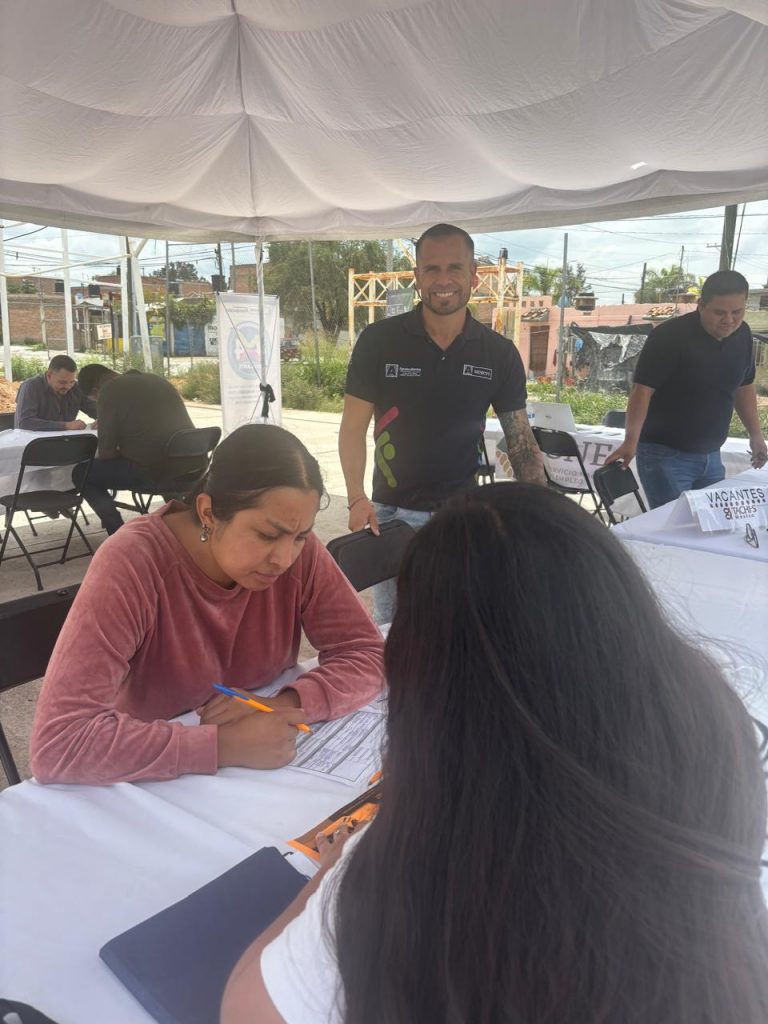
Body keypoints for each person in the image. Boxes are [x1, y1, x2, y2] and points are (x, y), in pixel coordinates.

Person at [222, 483, 768, 1024]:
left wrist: (327, 877)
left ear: (424, 675)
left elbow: (246, 1010)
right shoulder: (718, 742)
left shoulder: (426, 861)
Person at [30, 424, 384, 785]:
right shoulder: (134, 562)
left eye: (300, 537)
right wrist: (225, 746)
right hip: (154, 785)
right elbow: (60, 743)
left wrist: (284, 705)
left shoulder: (299, 552)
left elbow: (368, 655)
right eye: (267, 535)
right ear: (209, 513)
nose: (284, 559)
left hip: (261, 779)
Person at [338, 222, 544, 622]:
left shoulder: (498, 354)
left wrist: (538, 512)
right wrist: (356, 498)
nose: (443, 280)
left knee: (457, 623)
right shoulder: (379, 341)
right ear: (416, 276)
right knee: (394, 629)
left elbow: (520, 441)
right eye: (431, 269)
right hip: (391, 516)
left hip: (461, 516)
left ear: (474, 276)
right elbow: (351, 428)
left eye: (455, 268)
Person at [607, 270, 767, 508]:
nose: (729, 320)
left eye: (737, 312)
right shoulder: (669, 336)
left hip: (712, 456)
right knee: (676, 530)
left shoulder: (742, 334)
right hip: (665, 456)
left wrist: (756, 435)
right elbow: (642, 390)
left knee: (712, 527)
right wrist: (631, 441)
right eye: (720, 312)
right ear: (701, 305)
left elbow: (743, 386)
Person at [73, 363, 205, 534]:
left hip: (157, 474)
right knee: (161, 458)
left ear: (97, 390)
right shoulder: (156, 380)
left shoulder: (109, 391)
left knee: (82, 473)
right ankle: (180, 520)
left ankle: (117, 531)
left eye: (95, 400)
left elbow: (106, 453)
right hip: (195, 469)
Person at [13, 354, 96, 431]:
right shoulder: (31, 387)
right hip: (32, 443)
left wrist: (103, 419)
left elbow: (95, 410)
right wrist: (65, 426)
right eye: (62, 382)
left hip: (65, 441)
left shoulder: (76, 388)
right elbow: (25, 423)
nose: (68, 387)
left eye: (71, 382)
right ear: (49, 375)